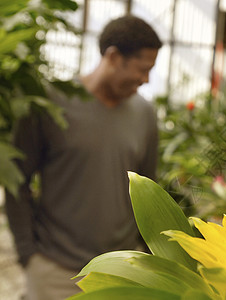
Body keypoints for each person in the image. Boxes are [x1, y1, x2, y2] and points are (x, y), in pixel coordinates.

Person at [5, 15, 162, 300]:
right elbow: (17, 181)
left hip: (121, 272)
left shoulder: (145, 114)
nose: (146, 80)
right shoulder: (50, 102)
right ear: (113, 57)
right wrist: (29, 255)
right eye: (143, 69)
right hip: (55, 270)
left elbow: (150, 189)